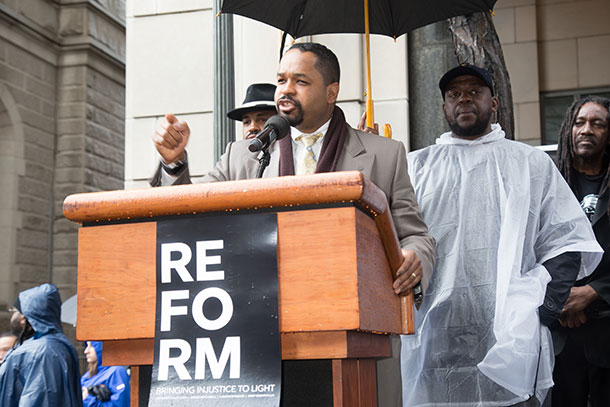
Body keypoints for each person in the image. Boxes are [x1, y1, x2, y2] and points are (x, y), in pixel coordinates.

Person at [151, 42, 435, 406]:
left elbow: (415, 233)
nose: (285, 89)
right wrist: (174, 165)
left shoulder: (384, 153)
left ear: (331, 92)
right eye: (281, 80)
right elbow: (190, 214)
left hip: (357, 335)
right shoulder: (244, 155)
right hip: (261, 339)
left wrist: (414, 256)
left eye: (300, 80)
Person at [401, 64, 602, 407]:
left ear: (493, 103)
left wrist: (540, 311)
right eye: (454, 94)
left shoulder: (530, 164)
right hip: (434, 335)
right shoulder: (415, 167)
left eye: (474, 92)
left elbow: (566, 241)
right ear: (444, 107)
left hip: (508, 338)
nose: (464, 99)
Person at [552, 96, 610, 407]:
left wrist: (594, 291)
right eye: (580, 122)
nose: (586, 130)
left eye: (598, 123)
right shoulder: (549, 184)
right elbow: (529, 250)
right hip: (561, 335)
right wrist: (560, 297)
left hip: (606, 327)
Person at [152, 83, 277, 176]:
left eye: (262, 120)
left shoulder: (293, 149)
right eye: (246, 122)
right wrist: (174, 162)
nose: (252, 127)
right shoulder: (234, 156)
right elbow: (195, 197)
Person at [0, 283, 83, 406]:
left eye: (15, 311)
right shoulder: (46, 347)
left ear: (24, 317)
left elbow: (40, 399)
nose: (12, 315)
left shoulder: (42, 351)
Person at [81, 341, 130, 407]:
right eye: (86, 346)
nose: (86, 351)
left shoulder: (116, 372)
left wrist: (88, 400)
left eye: (91, 346)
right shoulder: (86, 377)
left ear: (101, 348)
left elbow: (121, 404)